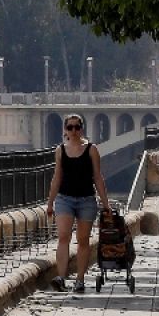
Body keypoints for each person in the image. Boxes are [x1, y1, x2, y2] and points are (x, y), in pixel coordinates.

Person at [46, 114, 111, 293]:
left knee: (83, 241)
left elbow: (98, 177)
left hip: (86, 200)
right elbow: (57, 177)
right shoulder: (60, 150)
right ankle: (61, 277)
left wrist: (106, 204)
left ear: (81, 128)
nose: (73, 131)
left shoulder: (91, 149)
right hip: (64, 199)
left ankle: (80, 280)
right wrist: (50, 203)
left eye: (76, 127)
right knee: (64, 236)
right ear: (65, 130)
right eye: (70, 127)